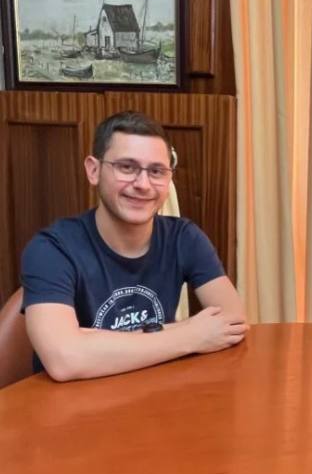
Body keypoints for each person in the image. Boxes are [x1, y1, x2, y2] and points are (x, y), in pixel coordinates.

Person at [21, 111, 248, 382]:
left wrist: (92, 343)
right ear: (94, 170)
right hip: (73, 403)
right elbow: (64, 359)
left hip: (154, 394)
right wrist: (191, 335)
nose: (143, 184)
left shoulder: (184, 237)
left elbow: (234, 321)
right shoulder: (51, 249)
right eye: (127, 167)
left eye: (156, 171)